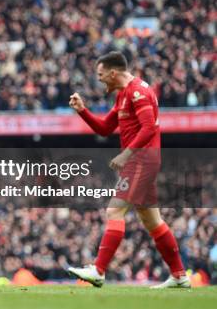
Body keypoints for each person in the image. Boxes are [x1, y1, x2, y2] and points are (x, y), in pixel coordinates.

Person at [67, 51, 190, 289]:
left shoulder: (139, 92)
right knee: (152, 220)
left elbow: (148, 129)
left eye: (101, 75)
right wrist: (83, 110)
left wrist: (126, 154)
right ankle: (179, 275)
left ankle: (99, 270)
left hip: (142, 161)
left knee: (114, 211)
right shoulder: (123, 95)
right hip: (141, 160)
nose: (99, 79)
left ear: (114, 73)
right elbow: (104, 128)